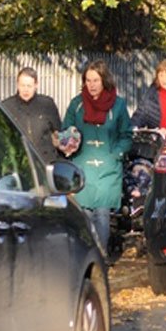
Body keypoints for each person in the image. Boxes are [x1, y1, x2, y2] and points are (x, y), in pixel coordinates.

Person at [60, 61, 132, 249]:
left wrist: (115, 154)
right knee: (84, 213)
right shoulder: (77, 104)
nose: (91, 85)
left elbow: (126, 136)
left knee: (101, 212)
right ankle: (87, 254)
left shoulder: (118, 105)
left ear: (104, 81)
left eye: (96, 80)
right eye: (88, 80)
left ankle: (101, 256)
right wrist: (68, 142)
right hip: (83, 165)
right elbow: (66, 132)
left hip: (108, 168)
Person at [2, 67, 62, 163]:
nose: (26, 89)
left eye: (29, 86)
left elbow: (58, 133)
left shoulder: (47, 105)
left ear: (36, 85)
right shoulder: (7, 106)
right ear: (17, 85)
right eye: (22, 85)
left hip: (46, 162)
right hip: (19, 162)